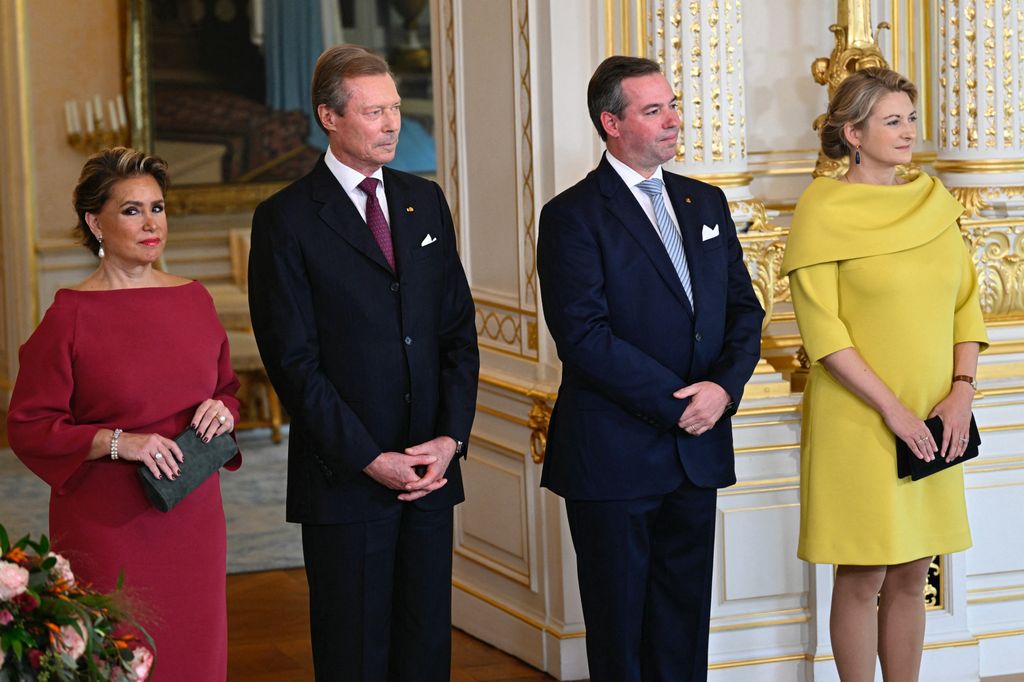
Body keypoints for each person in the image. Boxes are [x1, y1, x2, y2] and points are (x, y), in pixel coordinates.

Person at [247, 44, 478, 681]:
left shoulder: (424, 201)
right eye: (374, 112)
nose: (393, 124)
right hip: (346, 480)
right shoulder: (285, 219)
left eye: (396, 109)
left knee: (427, 650)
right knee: (355, 656)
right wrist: (370, 458)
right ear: (329, 115)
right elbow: (293, 364)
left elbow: (457, 333)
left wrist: (450, 439)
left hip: (430, 474)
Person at [536, 55, 764, 682]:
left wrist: (721, 389)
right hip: (614, 455)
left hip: (698, 450)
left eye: (672, 105)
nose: (673, 120)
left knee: (683, 625)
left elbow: (745, 311)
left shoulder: (706, 201)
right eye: (654, 109)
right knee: (621, 631)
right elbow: (583, 337)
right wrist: (680, 403)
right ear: (611, 122)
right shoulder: (571, 215)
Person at [781, 68, 989, 682]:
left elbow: (966, 304)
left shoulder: (932, 200)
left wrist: (960, 393)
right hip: (860, 417)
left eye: (909, 118)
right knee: (863, 571)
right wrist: (893, 412)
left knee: (913, 567)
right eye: (892, 120)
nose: (907, 131)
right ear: (854, 133)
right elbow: (825, 335)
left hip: (935, 410)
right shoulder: (821, 209)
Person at [6, 147, 241, 680]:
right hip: (107, 522)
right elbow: (30, 425)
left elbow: (228, 388)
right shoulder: (69, 316)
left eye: (157, 208)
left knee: (195, 654)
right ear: (95, 222)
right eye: (132, 210)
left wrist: (221, 411)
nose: (151, 223)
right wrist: (118, 441)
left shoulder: (195, 300)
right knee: (117, 657)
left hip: (194, 516)